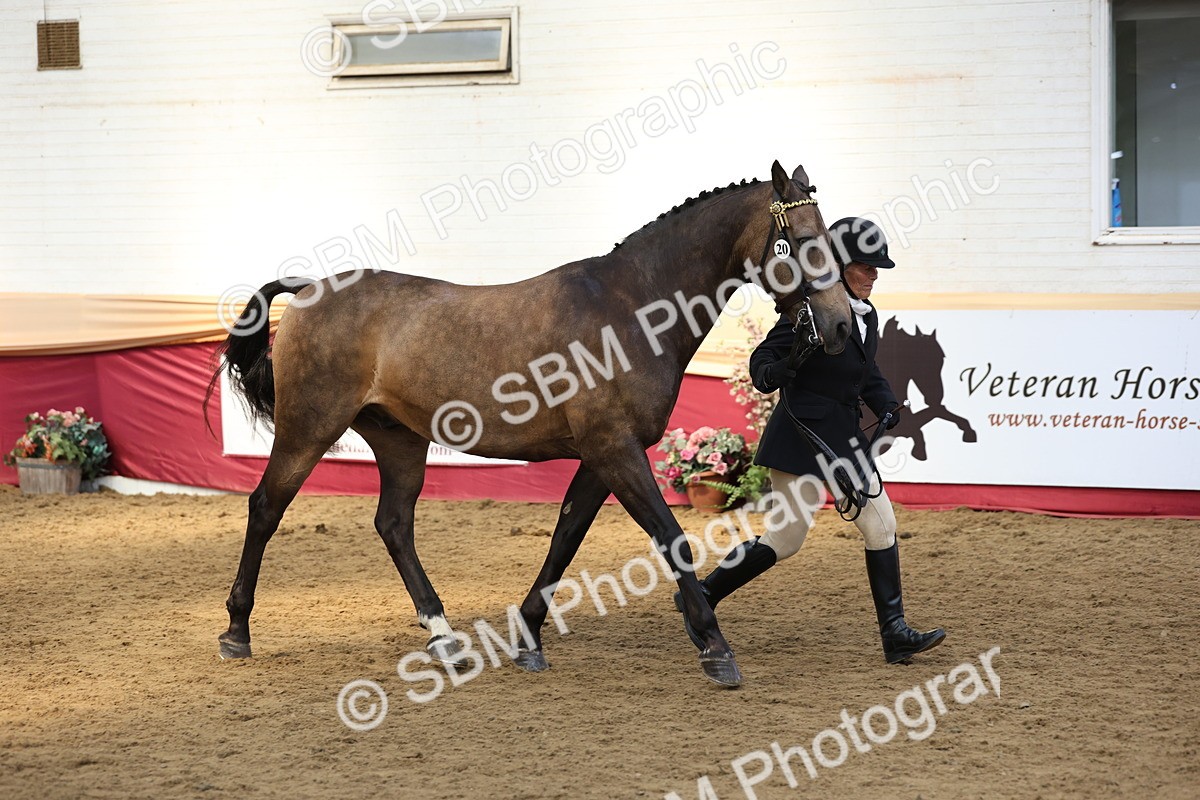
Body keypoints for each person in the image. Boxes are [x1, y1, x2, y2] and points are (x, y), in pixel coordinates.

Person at [677, 217, 945, 664]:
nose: (875, 275)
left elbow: (867, 370)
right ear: (840, 265)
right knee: (804, 535)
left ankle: (894, 633)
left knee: (844, 529)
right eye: (867, 266)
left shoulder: (866, 314)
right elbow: (764, 360)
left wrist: (884, 403)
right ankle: (702, 594)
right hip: (803, 433)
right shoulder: (808, 310)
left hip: (841, 434)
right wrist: (778, 372)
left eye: (877, 268)